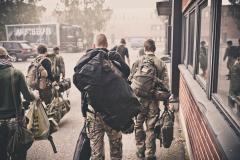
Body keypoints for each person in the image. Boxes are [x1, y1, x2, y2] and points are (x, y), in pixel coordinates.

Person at [81, 34, 130, 160]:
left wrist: (84, 111)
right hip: (113, 113)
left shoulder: (86, 62)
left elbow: (82, 87)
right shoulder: (114, 61)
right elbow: (126, 76)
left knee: (96, 153)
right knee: (116, 150)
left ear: (93, 46)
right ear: (107, 45)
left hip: (93, 113)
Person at [130, 39, 169, 160]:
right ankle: (150, 154)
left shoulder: (138, 61)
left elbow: (130, 80)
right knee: (151, 127)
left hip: (139, 100)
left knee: (138, 125)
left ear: (144, 49)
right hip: (153, 100)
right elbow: (166, 86)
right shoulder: (160, 63)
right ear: (154, 49)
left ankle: (140, 150)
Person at [0, 47, 39, 160]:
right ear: (6, 57)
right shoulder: (15, 73)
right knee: (19, 151)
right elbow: (27, 96)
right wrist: (35, 95)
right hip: (15, 119)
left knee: (1, 153)